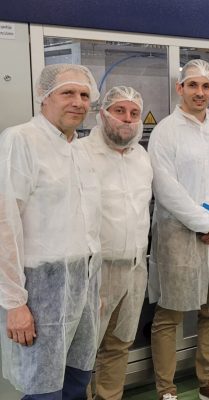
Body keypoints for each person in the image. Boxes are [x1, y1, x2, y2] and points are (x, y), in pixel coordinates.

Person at [0, 64, 101, 399]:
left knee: (77, 381)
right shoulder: (21, 140)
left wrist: (91, 291)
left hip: (81, 291)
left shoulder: (80, 150)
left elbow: (88, 226)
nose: (78, 102)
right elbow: (4, 224)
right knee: (44, 391)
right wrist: (14, 303)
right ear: (44, 96)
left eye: (84, 94)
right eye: (67, 93)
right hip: (40, 293)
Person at [147, 59, 209, 400]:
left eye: (205, 86)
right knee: (169, 314)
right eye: (193, 85)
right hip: (178, 235)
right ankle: (166, 390)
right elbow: (165, 187)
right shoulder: (165, 132)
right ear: (180, 88)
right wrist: (206, 224)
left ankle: (208, 382)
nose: (199, 92)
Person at [81, 86, 152, 400]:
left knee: (120, 344)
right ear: (102, 114)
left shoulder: (141, 157)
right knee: (83, 351)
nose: (127, 119)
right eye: (119, 111)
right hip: (95, 271)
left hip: (135, 267)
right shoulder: (81, 154)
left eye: (134, 113)